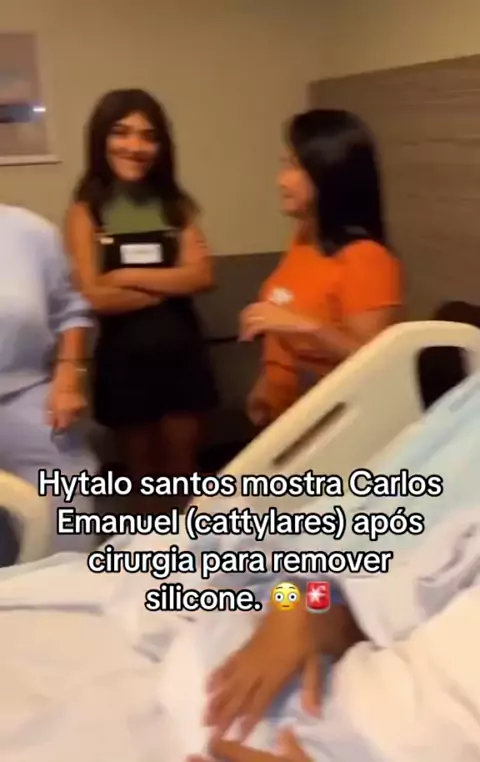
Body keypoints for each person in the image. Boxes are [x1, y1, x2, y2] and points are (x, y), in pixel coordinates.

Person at [66, 89, 218, 504]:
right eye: (122, 132)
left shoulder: (175, 205)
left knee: (185, 479)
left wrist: (124, 276)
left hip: (182, 353)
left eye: (148, 136)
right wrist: (169, 285)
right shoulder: (85, 211)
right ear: (101, 139)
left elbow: (203, 276)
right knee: (142, 484)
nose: (135, 146)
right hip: (124, 360)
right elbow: (95, 297)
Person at [240, 109, 403, 427]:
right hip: (284, 419)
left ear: (330, 172)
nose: (280, 180)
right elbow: (284, 334)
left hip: (332, 427)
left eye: (294, 167)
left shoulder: (366, 258)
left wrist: (308, 328)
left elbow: (377, 364)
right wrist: (266, 385)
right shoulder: (303, 239)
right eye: (283, 165)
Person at [0, 203, 96, 554]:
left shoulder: (31, 231)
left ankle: (66, 575)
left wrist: (69, 379)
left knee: (65, 477)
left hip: (23, 391)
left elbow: (71, 311)